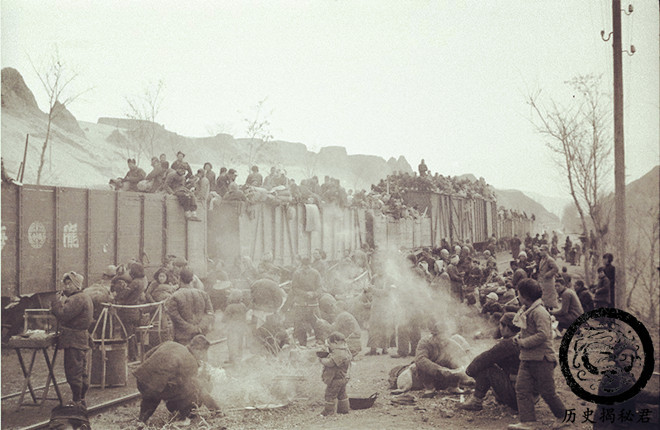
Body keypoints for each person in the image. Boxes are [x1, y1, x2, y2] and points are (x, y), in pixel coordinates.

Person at [508, 279, 567, 430]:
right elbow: (527, 330)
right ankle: (528, 421)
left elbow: (543, 334)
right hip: (527, 358)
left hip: (542, 359)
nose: (518, 296)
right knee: (521, 389)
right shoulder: (527, 310)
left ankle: (562, 416)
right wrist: (519, 337)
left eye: (519, 294)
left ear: (525, 296)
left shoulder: (539, 312)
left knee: (547, 392)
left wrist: (523, 342)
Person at [132, 334, 220, 423]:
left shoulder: (171, 344)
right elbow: (196, 389)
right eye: (203, 353)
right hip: (156, 389)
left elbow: (148, 355)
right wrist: (216, 409)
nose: (202, 356)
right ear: (197, 350)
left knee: (153, 393)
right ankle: (184, 413)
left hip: (141, 380)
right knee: (195, 389)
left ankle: (141, 420)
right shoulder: (191, 362)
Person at [460, 313, 521, 411]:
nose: (499, 328)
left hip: (518, 399)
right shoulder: (522, 339)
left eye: (501, 325)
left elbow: (483, 360)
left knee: (487, 368)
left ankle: (476, 401)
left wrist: (469, 372)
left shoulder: (508, 344)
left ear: (507, 328)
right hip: (530, 397)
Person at [50, 271, 93, 409]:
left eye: (69, 284)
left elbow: (63, 315)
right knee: (81, 369)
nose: (65, 287)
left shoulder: (77, 298)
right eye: (65, 283)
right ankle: (81, 398)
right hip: (80, 338)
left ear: (76, 285)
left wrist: (56, 304)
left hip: (73, 339)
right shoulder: (84, 297)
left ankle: (76, 400)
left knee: (73, 370)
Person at [166, 269, 215, 344]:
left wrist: (190, 328)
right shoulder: (203, 294)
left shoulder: (174, 297)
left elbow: (175, 317)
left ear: (179, 278)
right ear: (192, 279)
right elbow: (210, 313)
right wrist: (200, 327)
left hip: (183, 337)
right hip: (201, 335)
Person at [289, 257, 322, 346]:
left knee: (318, 325)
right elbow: (294, 288)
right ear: (301, 265)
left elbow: (320, 288)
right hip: (301, 304)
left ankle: (320, 344)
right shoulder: (297, 274)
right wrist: (305, 294)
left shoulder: (316, 273)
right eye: (304, 267)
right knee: (300, 327)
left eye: (308, 267)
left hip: (313, 304)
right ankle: (302, 345)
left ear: (310, 265)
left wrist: (314, 294)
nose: (306, 269)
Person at [318, 332, 352, 416]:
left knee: (330, 395)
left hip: (335, 379)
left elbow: (331, 363)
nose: (329, 346)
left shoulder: (338, 353)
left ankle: (329, 412)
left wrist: (322, 360)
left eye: (329, 344)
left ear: (336, 342)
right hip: (343, 377)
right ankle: (344, 409)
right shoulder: (345, 350)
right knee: (342, 394)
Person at [223, 290, 248, 365]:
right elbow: (245, 316)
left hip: (232, 327)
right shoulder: (243, 305)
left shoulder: (230, 307)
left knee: (231, 343)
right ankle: (239, 358)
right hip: (241, 326)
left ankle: (232, 359)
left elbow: (225, 319)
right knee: (240, 342)